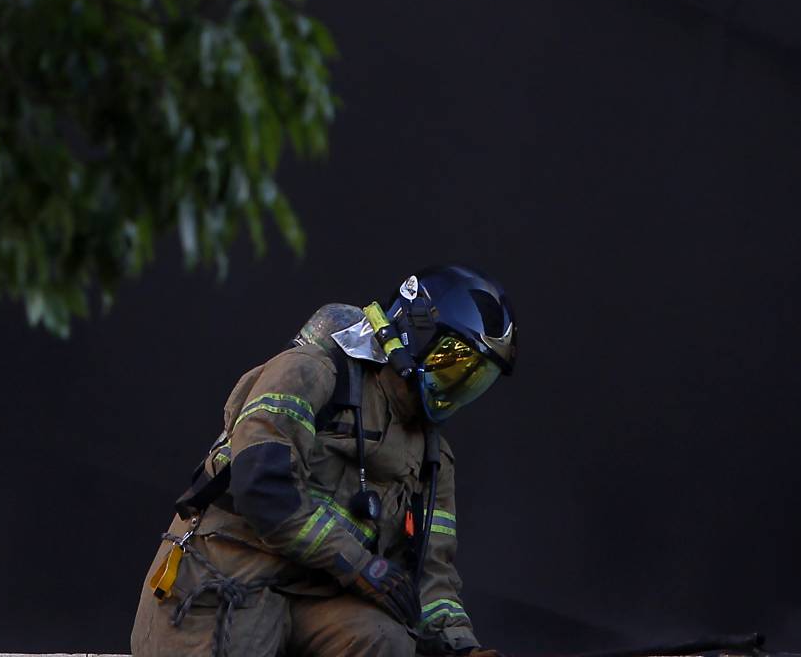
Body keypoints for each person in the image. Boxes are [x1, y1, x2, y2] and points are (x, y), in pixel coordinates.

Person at [131, 265, 517, 657]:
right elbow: (262, 488)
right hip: (226, 574)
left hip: (315, 593)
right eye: (453, 365)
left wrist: (461, 648)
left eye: (475, 378)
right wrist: (359, 564)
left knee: (385, 639)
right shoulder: (313, 373)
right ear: (416, 334)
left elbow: (431, 575)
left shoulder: (433, 459)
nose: (460, 386)